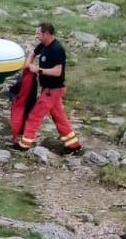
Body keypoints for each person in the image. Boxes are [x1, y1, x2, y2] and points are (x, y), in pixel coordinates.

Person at [14, 22, 82, 153]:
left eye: (38, 34)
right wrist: (28, 65)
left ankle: (24, 144)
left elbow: (57, 71)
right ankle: (73, 145)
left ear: (46, 34)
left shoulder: (57, 49)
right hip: (48, 89)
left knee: (35, 115)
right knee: (59, 117)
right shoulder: (43, 45)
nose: (36, 36)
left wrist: (38, 70)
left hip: (53, 90)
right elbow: (33, 53)